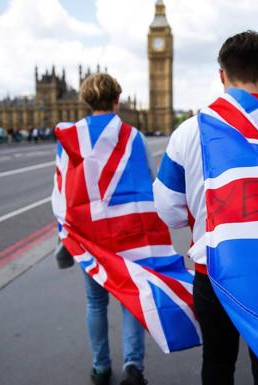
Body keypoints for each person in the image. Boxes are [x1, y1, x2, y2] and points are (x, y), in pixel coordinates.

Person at [153, 31, 258, 385]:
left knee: (218, 363)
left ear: (221, 74)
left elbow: (167, 209)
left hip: (214, 272)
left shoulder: (187, 132)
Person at [58, 73, 151, 385]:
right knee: (129, 298)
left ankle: (100, 368)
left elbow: (63, 193)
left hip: (89, 237)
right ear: (117, 100)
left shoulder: (72, 136)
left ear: (86, 101)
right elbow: (147, 185)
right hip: (128, 234)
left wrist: (63, 239)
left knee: (96, 302)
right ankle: (132, 367)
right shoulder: (132, 136)